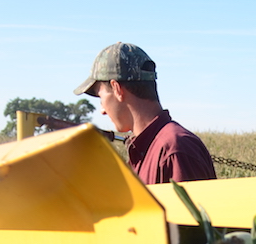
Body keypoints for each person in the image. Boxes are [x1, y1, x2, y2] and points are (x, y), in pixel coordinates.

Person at [74, 42, 216, 185]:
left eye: (101, 98)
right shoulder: (147, 150)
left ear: (117, 89)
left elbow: (192, 208)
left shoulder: (175, 149)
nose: (102, 110)